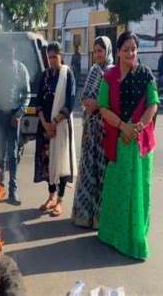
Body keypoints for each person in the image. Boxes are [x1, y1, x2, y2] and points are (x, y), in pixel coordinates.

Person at [98, 32, 159, 260]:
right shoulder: (109, 77)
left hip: (140, 143)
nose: (131, 53)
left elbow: (153, 104)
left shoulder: (145, 75)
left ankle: (136, 239)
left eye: (134, 49)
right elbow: (103, 107)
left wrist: (137, 127)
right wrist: (123, 127)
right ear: (118, 52)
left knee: (140, 190)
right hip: (119, 141)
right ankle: (114, 236)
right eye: (126, 49)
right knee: (118, 190)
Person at [71, 36, 114, 229]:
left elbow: (114, 101)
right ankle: (83, 215)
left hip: (106, 129)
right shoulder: (94, 71)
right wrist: (88, 104)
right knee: (88, 170)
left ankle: (99, 218)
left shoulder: (112, 72)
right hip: (90, 128)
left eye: (101, 51)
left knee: (101, 172)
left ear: (108, 52)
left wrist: (97, 105)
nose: (97, 54)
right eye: (95, 51)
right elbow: (83, 95)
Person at [34, 41, 76, 217]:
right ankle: (50, 196)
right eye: (49, 57)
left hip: (61, 126)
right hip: (45, 127)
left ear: (61, 57)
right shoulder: (44, 76)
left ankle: (60, 200)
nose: (51, 60)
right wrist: (45, 124)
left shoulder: (68, 75)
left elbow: (70, 102)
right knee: (47, 163)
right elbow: (38, 103)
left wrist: (55, 122)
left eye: (54, 57)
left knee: (61, 163)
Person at [0, 45, 31, 205]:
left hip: (14, 117)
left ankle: (13, 191)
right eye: (6, 51)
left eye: (11, 51)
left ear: (14, 52)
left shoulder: (21, 69)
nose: (8, 54)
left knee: (13, 155)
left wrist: (19, 114)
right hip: (0, 116)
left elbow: (26, 94)